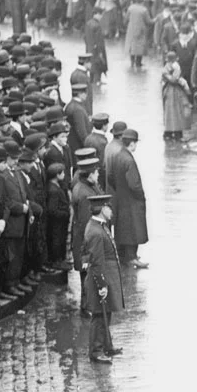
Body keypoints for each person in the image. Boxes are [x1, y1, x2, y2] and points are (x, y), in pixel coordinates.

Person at [83, 194, 123, 365]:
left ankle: (107, 345)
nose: (111, 210)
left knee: (107, 313)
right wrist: (102, 285)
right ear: (102, 209)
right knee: (99, 316)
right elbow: (97, 261)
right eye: (109, 207)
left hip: (107, 276)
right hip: (101, 278)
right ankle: (96, 351)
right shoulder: (96, 232)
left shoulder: (99, 226)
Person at [106, 129, 148, 268]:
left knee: (122, 227)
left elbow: (110, 176)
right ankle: (131, 257)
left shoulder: (118, 155)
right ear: (132, 143)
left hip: (120, 197)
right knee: (133, 228)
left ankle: (124, 256)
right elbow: (134, 184)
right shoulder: (129, 160)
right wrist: (141, 196)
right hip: (131, 200)